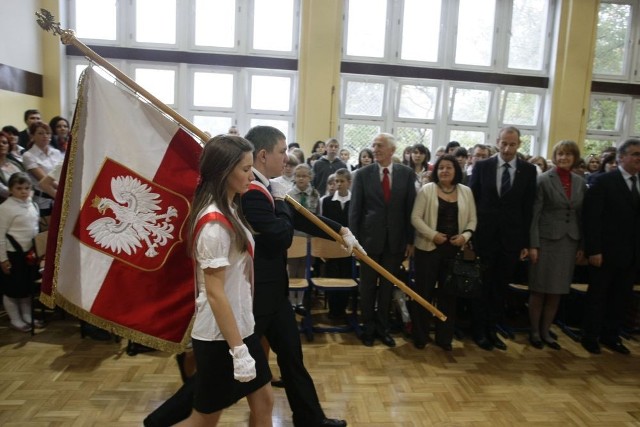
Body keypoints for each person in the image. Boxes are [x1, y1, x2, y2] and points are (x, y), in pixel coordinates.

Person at [174, 135, 272, 427]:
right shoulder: (214, 224)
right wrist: (238, 350)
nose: (251, 175)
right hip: (221, 337)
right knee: (204, 420)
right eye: (244, 169)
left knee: (264, 402)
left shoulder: (230, 208)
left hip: (241, 328)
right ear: (223, 172)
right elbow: (215, 293)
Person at [468, 126, 537, 351]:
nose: (507, 148)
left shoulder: (528, 170)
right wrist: (471, 234)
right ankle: (478, 331)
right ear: (497, 142)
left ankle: (492, 329)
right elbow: (472, 202)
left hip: (511, 240)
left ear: (519, 145)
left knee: (500, 287)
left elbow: (528, 209)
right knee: (483, 286)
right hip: (484, 238)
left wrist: (526, 242)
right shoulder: (482, 166)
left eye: (512, 144)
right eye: (504, 143)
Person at [350, 133, 416, 348]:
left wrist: (410, 240)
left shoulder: (406, 174)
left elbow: (409, 209)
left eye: (380, 146)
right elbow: (355, 211)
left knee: (388, 287)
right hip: (369, 241)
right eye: (374, 145)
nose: (375, 149)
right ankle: (368, 328)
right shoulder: (362, 174)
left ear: (392, 150)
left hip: (395, 241)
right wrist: (354, 241)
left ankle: (383, 328)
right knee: (367, 287)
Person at [410, 154, 476, 351]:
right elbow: (415, 218)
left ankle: (444, 337)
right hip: (428, 249)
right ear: (436, 171)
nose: (445, 171)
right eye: (441, 168)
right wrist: (433, 235)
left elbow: (473, 219)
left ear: (456, 171)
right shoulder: (426, 190)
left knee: (449, 296)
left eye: (449, 167)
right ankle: (420, 336)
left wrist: (465, 236)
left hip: (454, 251)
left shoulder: (466, 192)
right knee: (424, 294)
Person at [581, 138, 640, 355]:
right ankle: (590, 336)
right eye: (635, 154)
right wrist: (594, 250)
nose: (638, 159)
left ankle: (611, 336)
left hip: (632, 253)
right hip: (605, 252)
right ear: (621, 157)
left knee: (621, 298)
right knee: (598, 297)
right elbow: (592, 219)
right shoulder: (604, 181)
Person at [528, 141, 586, 350]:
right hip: (545, 241)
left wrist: (582, 245)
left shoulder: (580, 182)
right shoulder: (543, 180)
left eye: (568, 155)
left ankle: (546, 331)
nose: (564, 158)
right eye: (560, 154)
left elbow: (581, 216)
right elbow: (535, 214)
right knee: (539, 289)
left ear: (575, 157)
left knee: (557, 291)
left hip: (569, 242)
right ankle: (534, 331)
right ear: (555, 156)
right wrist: (533, 245)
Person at [0, 172, 41, 332]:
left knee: (26, 288)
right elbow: (0, 236)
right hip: (12, 255)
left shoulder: (31, 204)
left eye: (26, 188)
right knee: (12, 289)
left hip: (29, 254)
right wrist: (3, 259)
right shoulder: (5, 208)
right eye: (19, 188)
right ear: (10, 189)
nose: (23, 191)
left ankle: (27, 316)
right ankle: (15, 319)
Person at [319, 168, 353, 319]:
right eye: (336, 181)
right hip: (332, 247)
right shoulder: (326, 201)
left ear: (349, 183)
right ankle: (333, 311)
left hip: (349, 247)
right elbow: (323, 227)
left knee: (346, 277)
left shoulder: (355, 201)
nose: (338, 184)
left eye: (342, 181)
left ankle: (342, 310)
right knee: (332, 277)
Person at [22, 122, 63, 221]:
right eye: (40, 133)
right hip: (43, 200)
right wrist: (64, 192)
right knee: (47, 232)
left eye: (48, 133)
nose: (45, 136)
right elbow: (44, 179)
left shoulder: (56, 152)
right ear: (32, 136)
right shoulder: (28, 155)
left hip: (59, 194)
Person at [0, 131, 26, 202]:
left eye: (4, 143)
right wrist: (25, 193)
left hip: (26, 201)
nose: (1, 145)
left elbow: (28, 181)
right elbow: (3, 191)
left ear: (9, 146)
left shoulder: (16, 163)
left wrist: (29, 195)